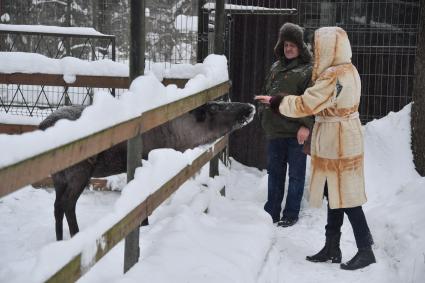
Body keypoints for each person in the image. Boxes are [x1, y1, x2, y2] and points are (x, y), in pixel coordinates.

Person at [255, 26, 376, 270]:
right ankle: (332, 246)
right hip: (341, 135)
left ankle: (365, 249)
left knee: (347, 197)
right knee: (335, 193)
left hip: (338, 140)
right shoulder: (349, 69)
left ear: (330, 47)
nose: (316, 51)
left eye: (319, 46)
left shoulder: (334, 75)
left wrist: (277, 101)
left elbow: (306, 103)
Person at [257, 22, 314, 227]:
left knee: (296, 176)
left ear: (300, 47)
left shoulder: (308, 70)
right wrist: (263, 113)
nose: (288, 48)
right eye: (285, 44)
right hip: (275, 131)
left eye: (292, 45)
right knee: (275, 175)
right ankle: (271, 213)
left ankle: (290, 215)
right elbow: (266, 90)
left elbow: (311, 101)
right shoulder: (276, 66)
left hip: (295, 132)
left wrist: (306, 126)